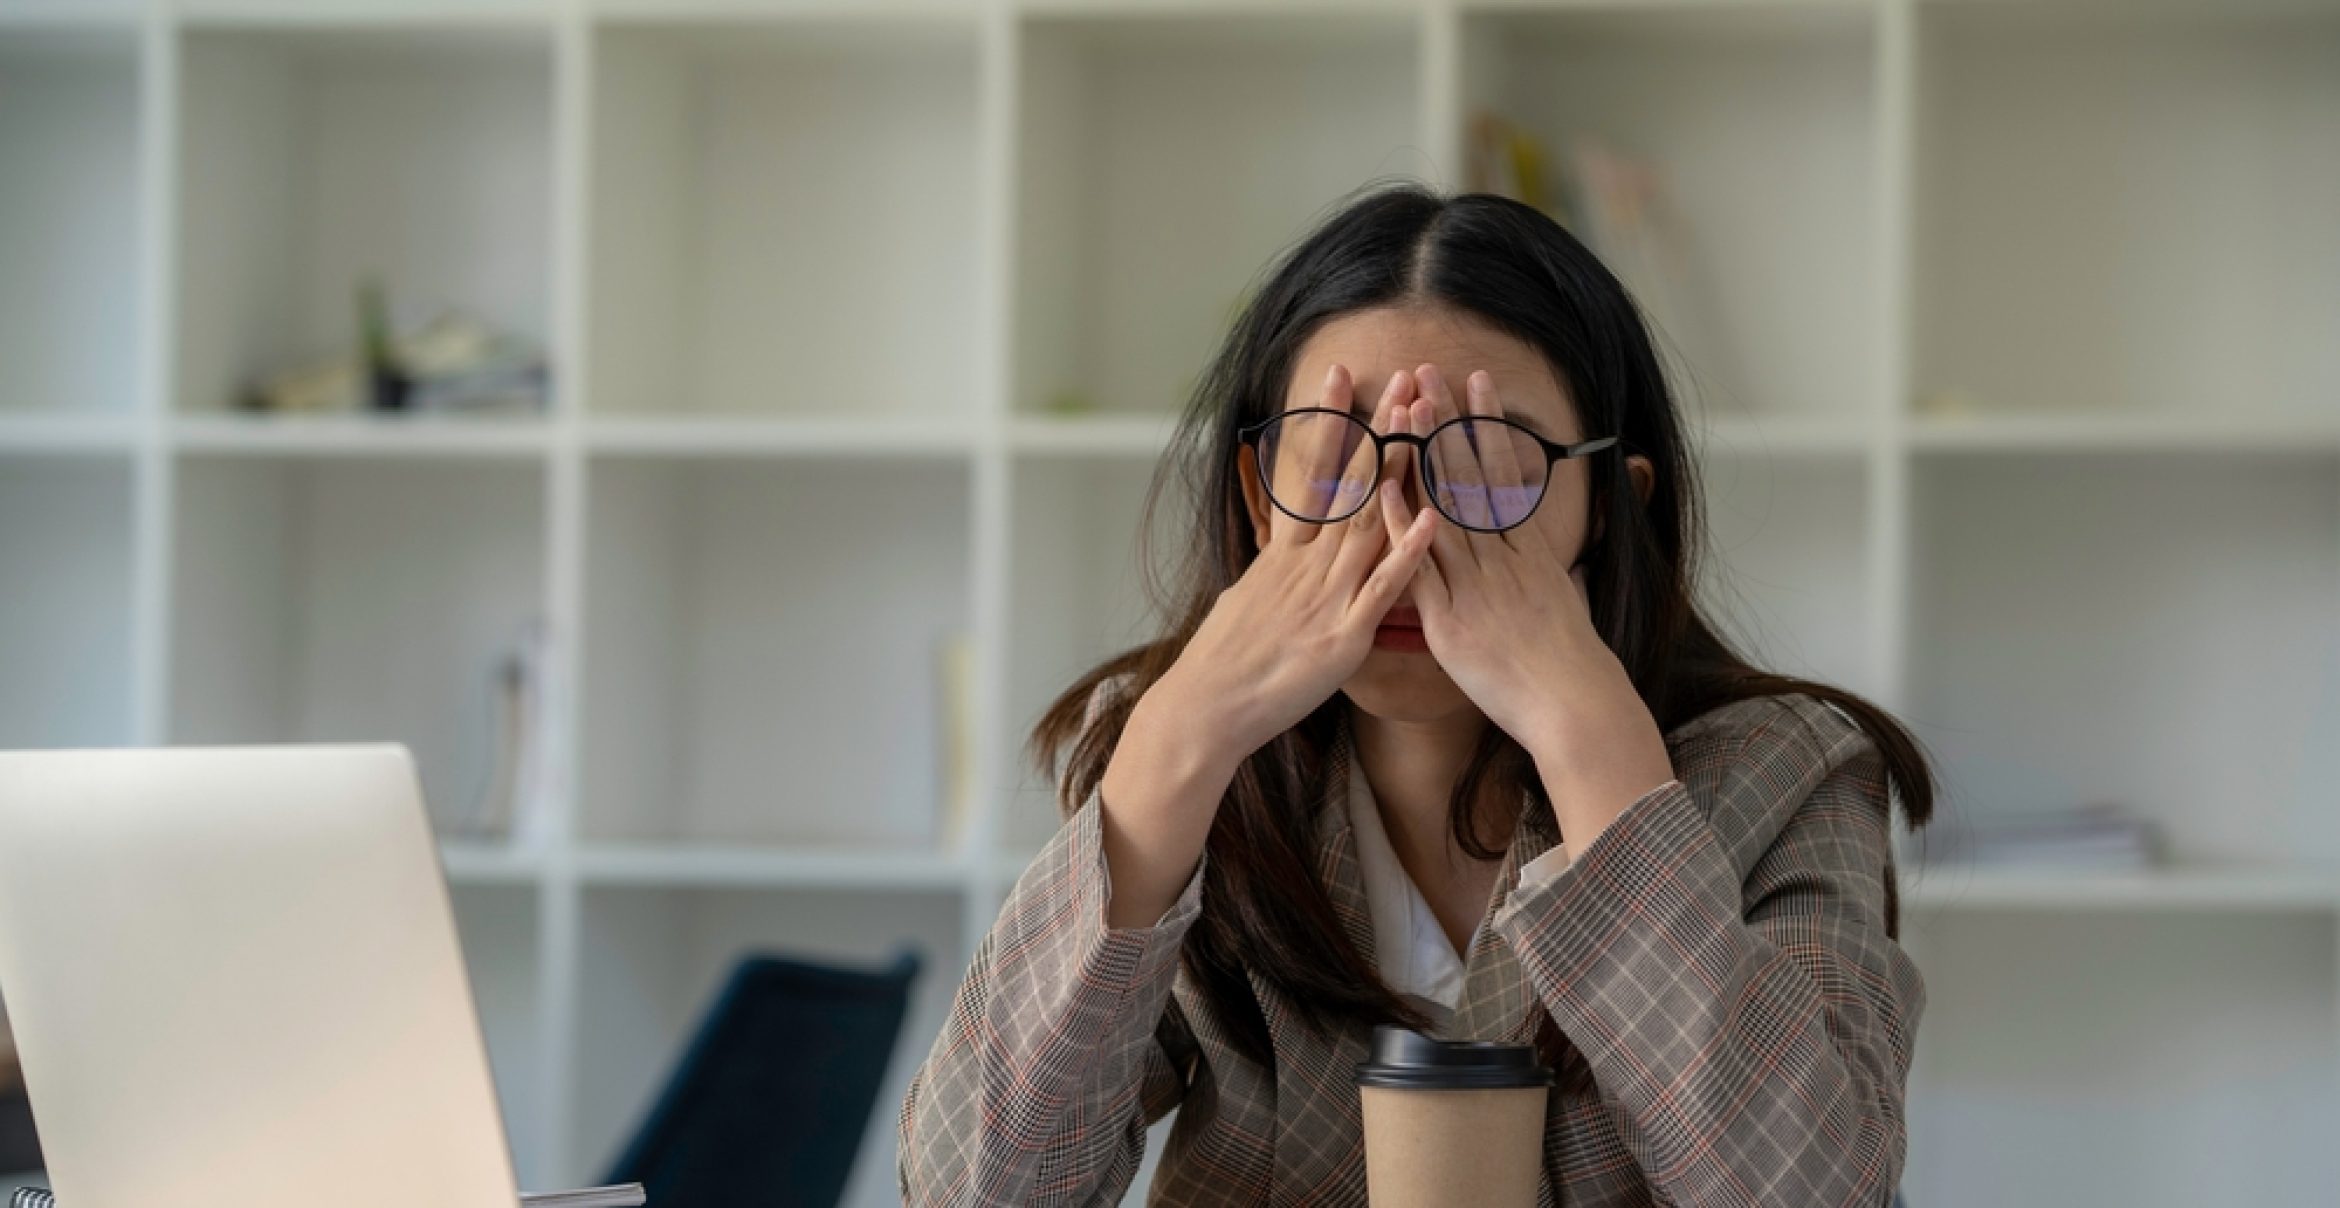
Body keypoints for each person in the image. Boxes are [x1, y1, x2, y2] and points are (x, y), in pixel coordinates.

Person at [899, 182, 1934, 1206]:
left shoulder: (1789, 768)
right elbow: (970, 1192)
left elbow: (1820, 1191)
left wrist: (1592, 744)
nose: (1405, 533)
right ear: (1262, 500)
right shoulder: (1190, 770)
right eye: (1341, 456)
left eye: (1484, 466)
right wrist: (1176, 741)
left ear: (1612, 505)